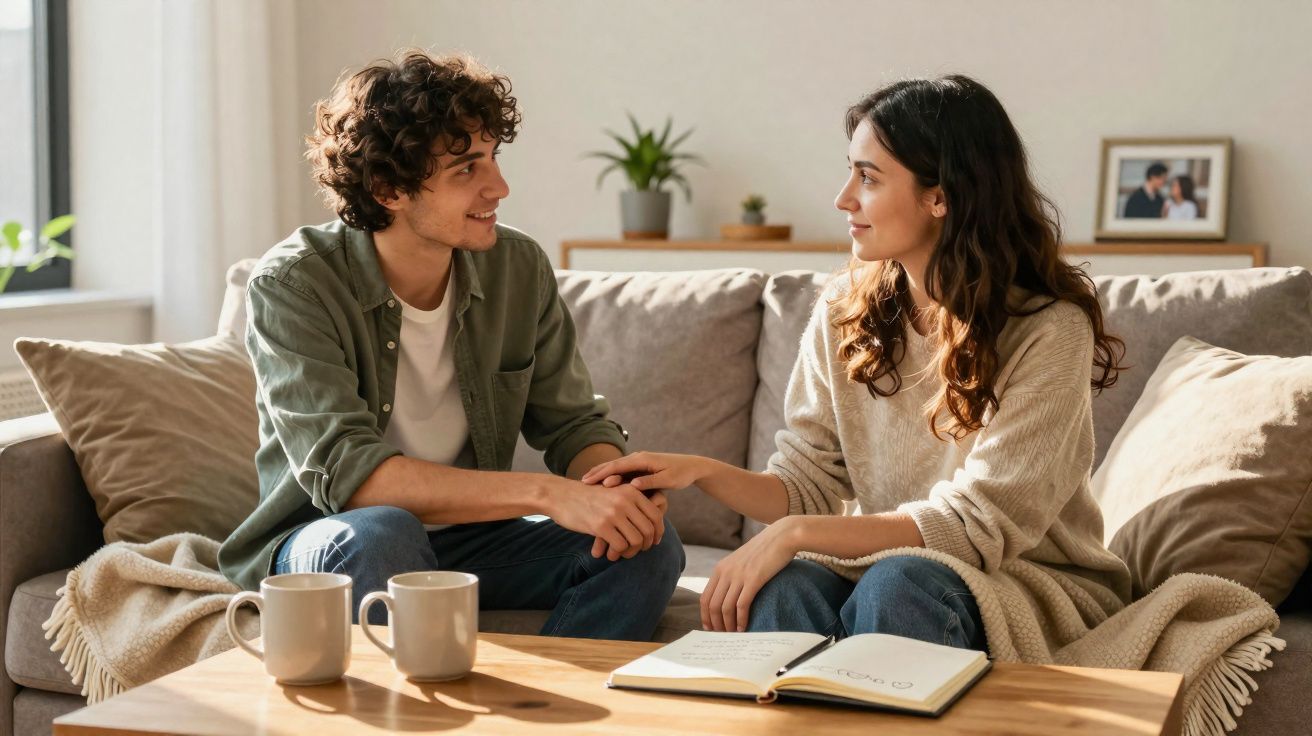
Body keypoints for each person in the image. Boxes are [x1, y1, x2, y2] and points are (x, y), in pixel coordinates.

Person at [583, 75, 1133, 652]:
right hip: (896, 567)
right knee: (786, 586)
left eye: (868, 178)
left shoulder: (1049, 330)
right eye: (850, 172)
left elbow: (979, 524)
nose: (843, 198)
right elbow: (807, 486)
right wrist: (700, 471)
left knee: (899, 586)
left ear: (940, 197)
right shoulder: (847, 309)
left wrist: (795, 533)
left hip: (1027, 581)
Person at [218, 50, 684, 641]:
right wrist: (548, 494)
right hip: (332, 538)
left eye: (493, 157)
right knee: (382, 532)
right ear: (388, 189)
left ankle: (552, 695)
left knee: (645, 544)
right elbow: (354, 479)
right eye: (466, 169)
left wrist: (618, 490)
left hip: (471, 540)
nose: (499, 187)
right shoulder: (294, 284)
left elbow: (572, 424)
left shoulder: (518, 267)